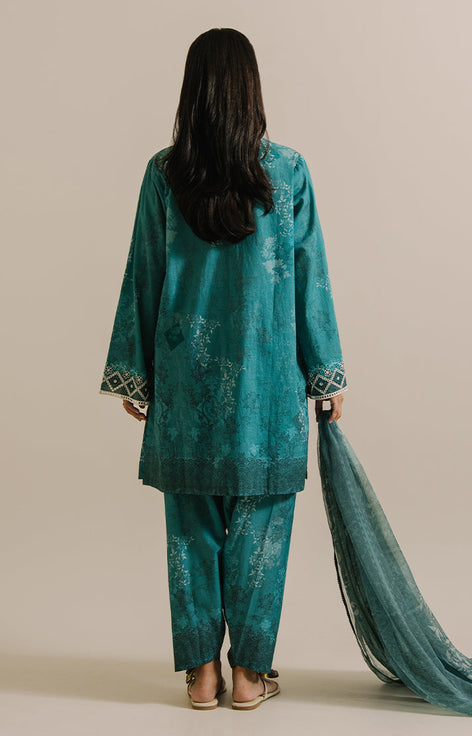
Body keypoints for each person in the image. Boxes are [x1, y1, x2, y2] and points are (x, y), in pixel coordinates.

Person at [99, 27, 348, 710]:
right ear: (250, 89)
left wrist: (135, 373)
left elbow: (144, 274)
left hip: (186, 384)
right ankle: (248, 676)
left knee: (190, 533)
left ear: (193, 90)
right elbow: (310, 278)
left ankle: (201, 675)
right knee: (261, 533)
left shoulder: (165, 172)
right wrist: (326, 374)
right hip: (267, 387)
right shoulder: (287, 171)